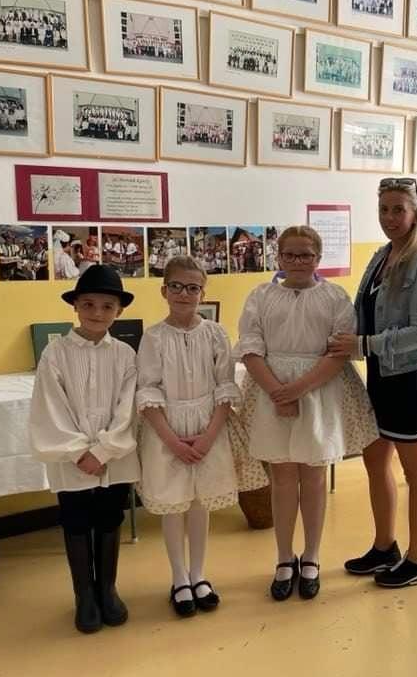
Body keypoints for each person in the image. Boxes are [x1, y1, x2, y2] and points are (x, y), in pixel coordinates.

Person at [236, 226, 378, 601]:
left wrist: (298, 389)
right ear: (279, 257)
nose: (298, 261)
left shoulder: (334, 297)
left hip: (318, 392)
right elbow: (250, 347)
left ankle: (311, 556)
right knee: (282, 478)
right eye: (290, 255)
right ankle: (284, 558)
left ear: (318, 258)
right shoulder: (261, 296)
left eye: (306, 255)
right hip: (271, 392)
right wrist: (276, 391)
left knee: (314, 477)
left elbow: (338, 352)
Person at [329, 177, 417, 588]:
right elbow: (363, 311)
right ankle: (384, 547)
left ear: (415, 213)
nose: (390, 217)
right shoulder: (382, 256)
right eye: (384, 209)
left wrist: (363, 344)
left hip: (409, 377)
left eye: (399, 209)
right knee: (375, 460)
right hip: (379, 373)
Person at [137, 256, 267, 617]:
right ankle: (178, 577)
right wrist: (172, 441)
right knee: (174, 503)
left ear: (202, 293)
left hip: (210, 427)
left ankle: (198, 574)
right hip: (167, 431)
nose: (184, 294)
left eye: (193, 288)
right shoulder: (153, 337)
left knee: (199, 503)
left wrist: (209, 436)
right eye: (176, 286)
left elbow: (225, 387)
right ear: (164, 290)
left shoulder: (215, 333)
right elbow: (147, 391)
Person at [28, 265, 140, 634]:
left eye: (107, 306)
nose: (97, 313)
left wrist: (104, 451)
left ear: (119, 311)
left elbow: (129, 408)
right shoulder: (55, 354)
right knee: (75, 519)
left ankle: (107, 590)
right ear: (75, 305)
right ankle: (84, 595)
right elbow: (49, 407)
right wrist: (80, 452)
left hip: (114, 457)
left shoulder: (125, 355)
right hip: (70, 457)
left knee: (110, 516)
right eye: (89, 304)